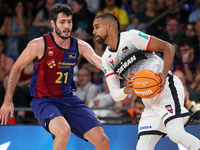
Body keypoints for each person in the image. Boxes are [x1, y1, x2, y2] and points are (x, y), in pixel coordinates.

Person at [0, 4, 109, 150]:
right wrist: (8, 100)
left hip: (69, 99)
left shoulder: (79, 45)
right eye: (62, 22)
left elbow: (100, 62)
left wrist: (119, 72)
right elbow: (16, 68)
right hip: (44, 100)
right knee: (63, 131)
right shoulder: (38, 44)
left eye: (69, 22)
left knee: (103, 141)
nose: (67, 26)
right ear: (53, 23)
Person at [93, 12, 200, 150]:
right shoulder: (106, 59)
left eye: (97, 27)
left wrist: (162, 73)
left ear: (109, 26)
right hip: (148, 99)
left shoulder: (132, 37)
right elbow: (115, 94)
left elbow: (168, 47)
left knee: (176, 134)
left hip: (165, 88)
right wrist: (126, 89)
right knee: (143, 147)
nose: (93, 31)